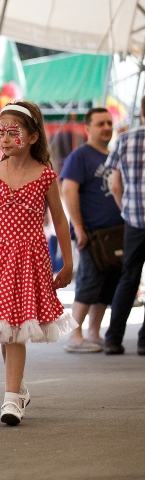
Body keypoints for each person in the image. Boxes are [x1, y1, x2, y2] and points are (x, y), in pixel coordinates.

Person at [0, 102, 76, 426]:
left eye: (14, 132)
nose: (6, 138)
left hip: (29, 259)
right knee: (4, 330)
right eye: (1, 133)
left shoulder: (45, 177)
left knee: (15, 333)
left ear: (33, 136)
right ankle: (18, 388)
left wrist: (67, 264)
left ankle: (11, 398)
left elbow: (61, 221)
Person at [60, 108, 122, 353]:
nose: (106, 127)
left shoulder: (114, 154)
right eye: (100, 124)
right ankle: (75, 335)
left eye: (109, 123)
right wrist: (78, 227)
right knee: (88, 282)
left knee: (107, 284)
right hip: (92, 234)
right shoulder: (81, 156)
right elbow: (68, 191)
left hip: (115, 233)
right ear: (87, 128)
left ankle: (94, 332)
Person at [101, 97, 145, 356]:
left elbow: (115, 186)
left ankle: (113, 338)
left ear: (141, 111)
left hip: (134, 220)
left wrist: (126, 210)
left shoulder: (126, 139)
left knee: (128, 278)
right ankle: (143, 341)